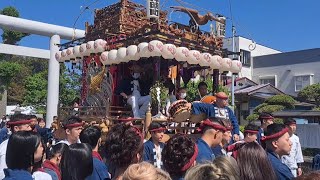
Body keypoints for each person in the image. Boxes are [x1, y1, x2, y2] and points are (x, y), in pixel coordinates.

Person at [0, 114, 33, 179]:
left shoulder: (23, 144)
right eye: (27, 126)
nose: (30, 129)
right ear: (16, 128)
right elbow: (2, 174)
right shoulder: (7, 147)